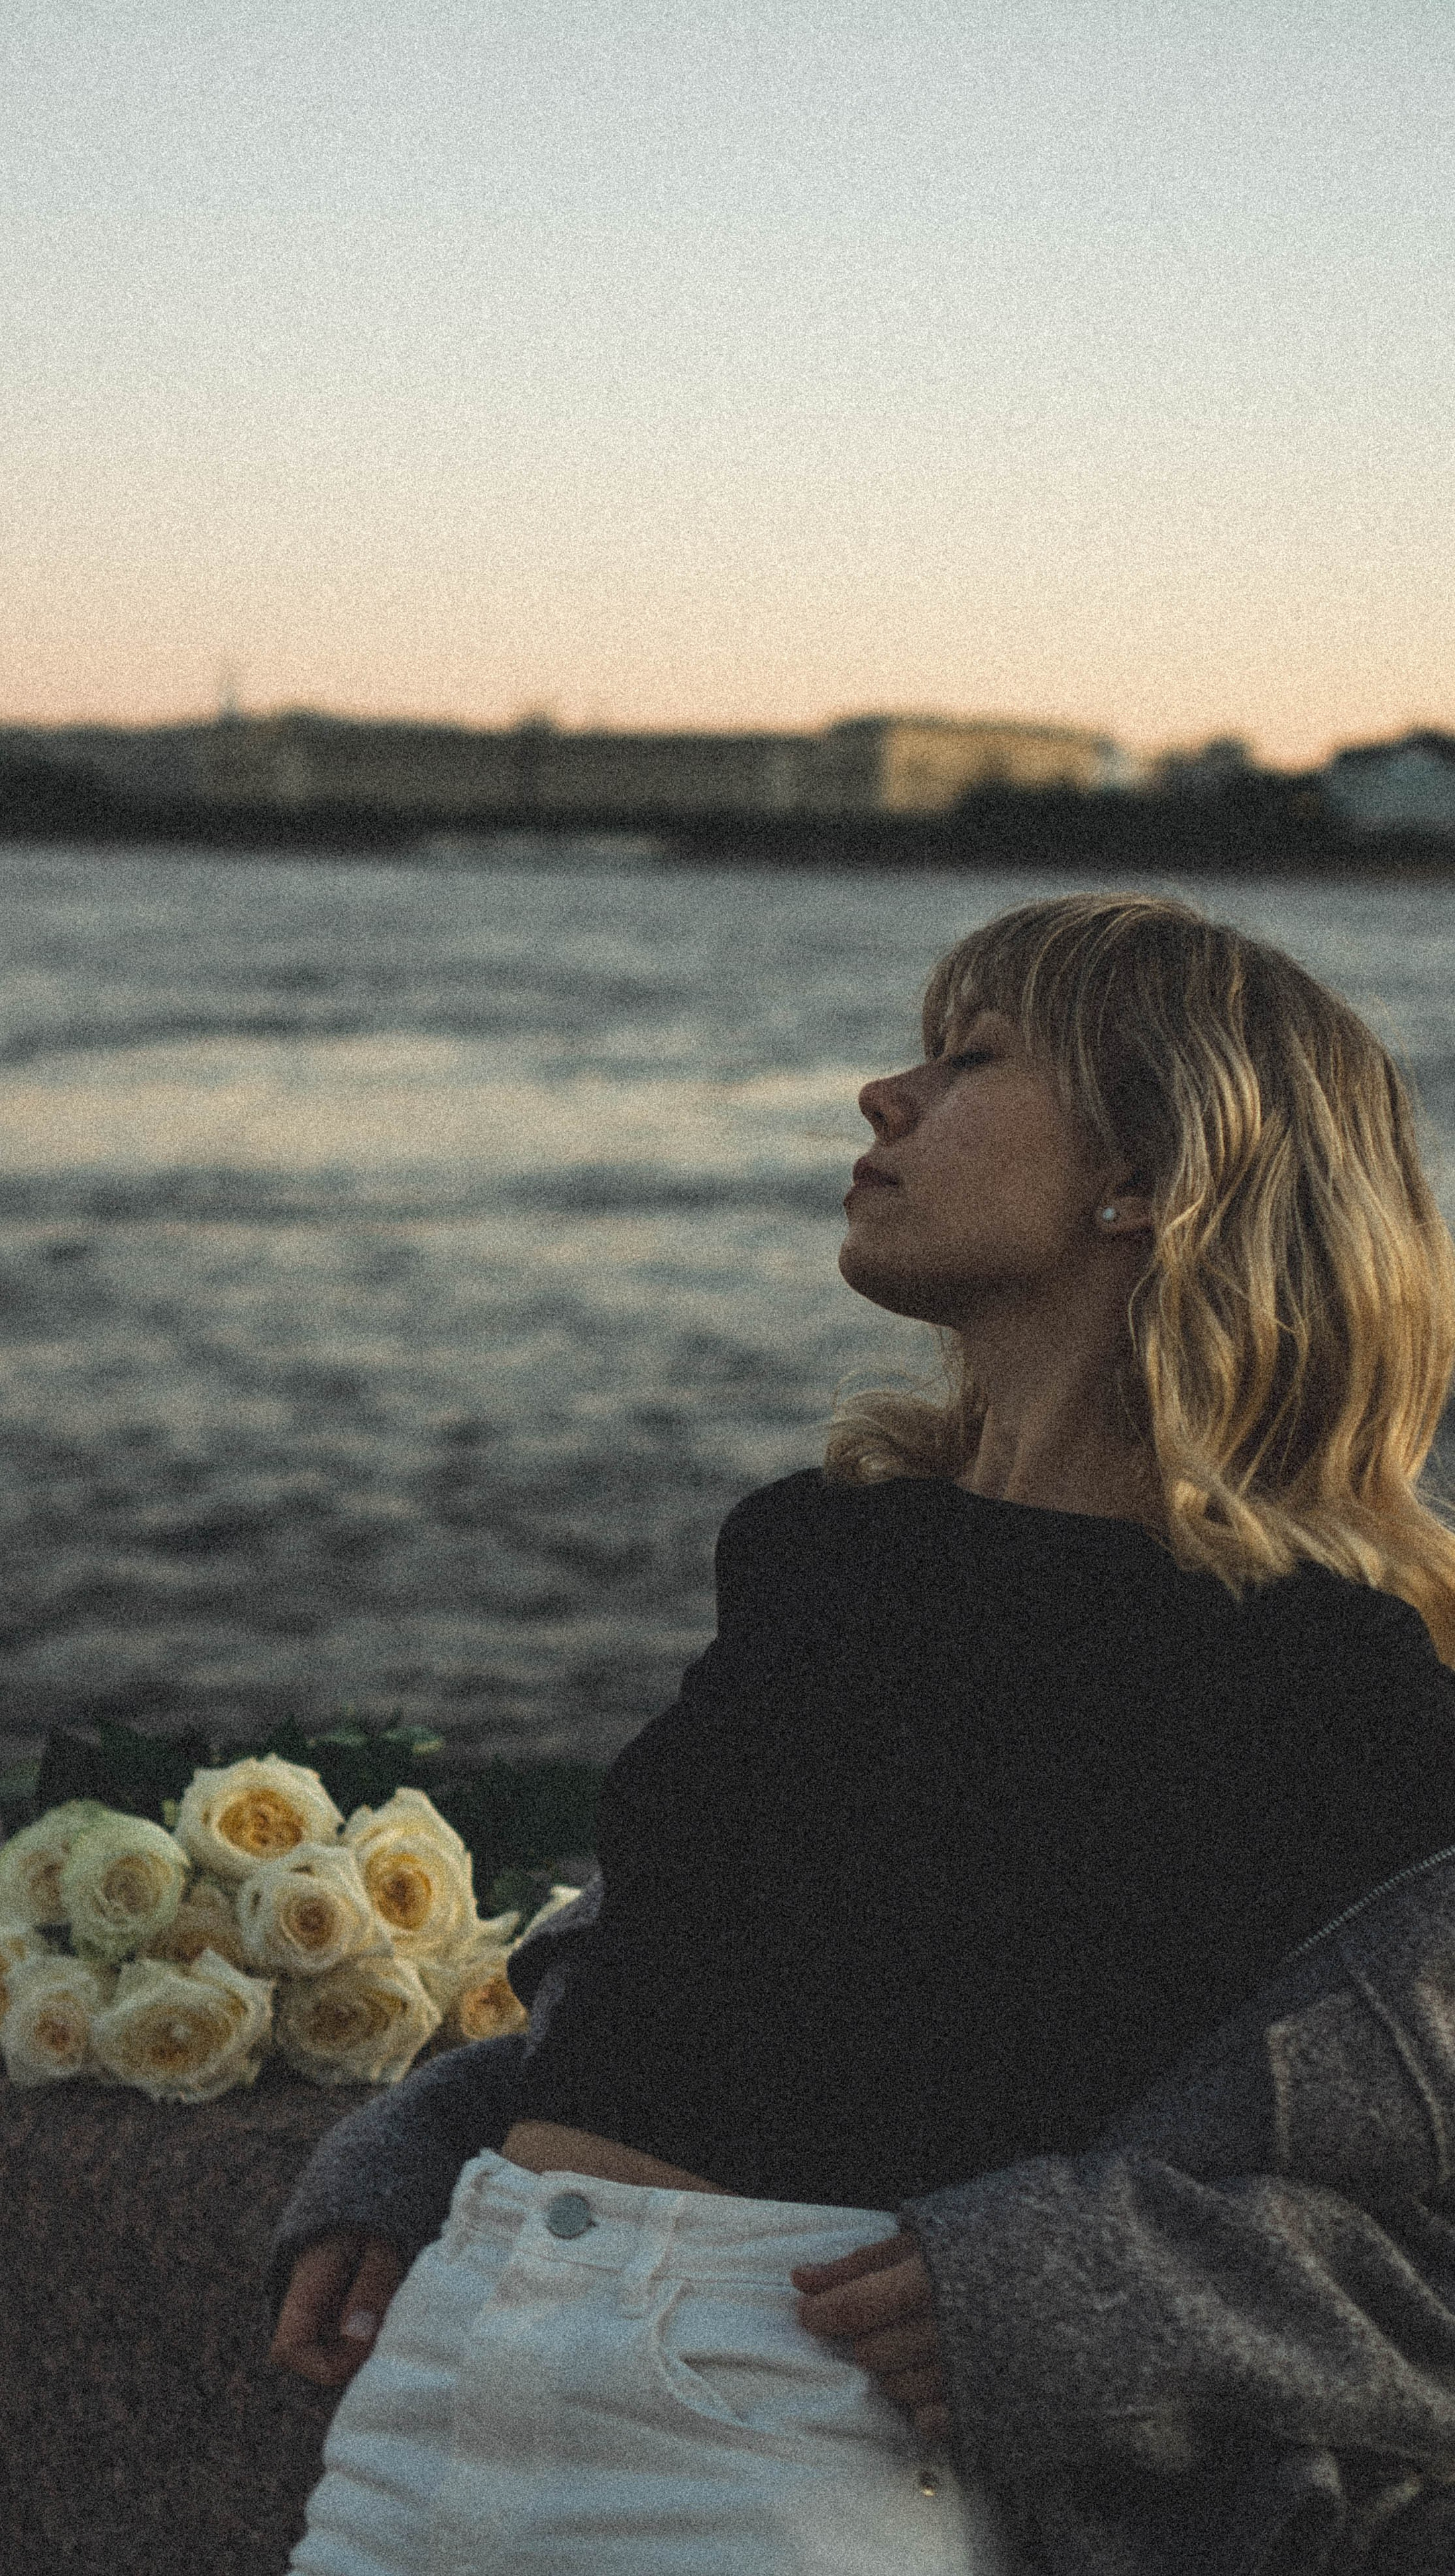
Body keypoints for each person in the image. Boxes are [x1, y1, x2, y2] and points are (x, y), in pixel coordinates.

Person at [268, 892, 1455, 2575]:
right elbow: (698, 1979)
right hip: (450, 2364)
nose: (880, 1098)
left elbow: (1399, 2208)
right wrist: (431, 2140)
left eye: (968, 1061)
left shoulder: (1321, 1683)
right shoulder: (818, 1550)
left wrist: (1084, 2288)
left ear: (1149, 1175)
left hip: (791, 2438)